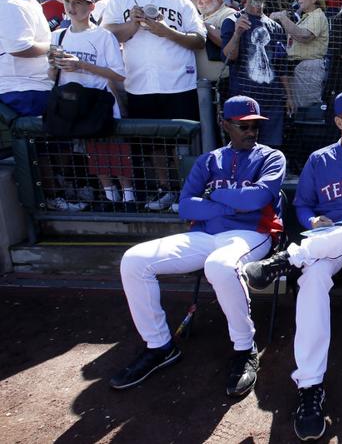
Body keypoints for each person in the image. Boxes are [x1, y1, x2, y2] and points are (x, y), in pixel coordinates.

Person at [242, 89, 342, 441]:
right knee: (313, 277)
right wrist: (313, 220)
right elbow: (302, 207)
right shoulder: (318, 159)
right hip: (329, 244)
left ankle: (290, 258)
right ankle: (310, 386)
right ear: (338, 121)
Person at [110, 95, 286, 396]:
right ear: (224, 125)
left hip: (251, 234)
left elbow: (257, 200)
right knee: (134, 260)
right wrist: (231, 204)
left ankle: (245, 349)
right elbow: (186, 208)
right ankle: (160, 346)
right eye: (242, 126)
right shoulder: (209, 160)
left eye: (254, 125)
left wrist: (213, 197)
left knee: (221, 264)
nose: (250, 131)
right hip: (204, 235)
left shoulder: (271, 157)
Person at [102, 0, 207, 211]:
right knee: (153, 146)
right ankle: (166, 189)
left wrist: (166, 31)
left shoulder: (181, 1)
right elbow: (108, 35)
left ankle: (188, 191)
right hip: (140, 84)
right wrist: (133, 25)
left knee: (184, 143)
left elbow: (199, 39)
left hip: (179, 83)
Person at [46, 0, 133, 212]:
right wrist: (55, 65)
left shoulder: (103, 36)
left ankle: (129, 198)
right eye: (67, 2)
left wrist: (81, 65)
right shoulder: (58, 36)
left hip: (99, 103)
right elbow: (51, 75)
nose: (71, 7)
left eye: (77, 3)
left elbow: (118, 74)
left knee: (115, 154)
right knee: (93, 156)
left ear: (91, 7)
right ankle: (110, 197)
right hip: (72, 106)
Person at [221, 0, 294, 147]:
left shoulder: (275, 27)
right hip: (244, 100)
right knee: (244, 149)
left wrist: (289, 96)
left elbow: (281, 65)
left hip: (272, 100)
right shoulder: (232, 21)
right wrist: (238, 33)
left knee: (271, 149)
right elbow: (229, 57)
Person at [0, 0, 52, 116]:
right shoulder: (10, 3)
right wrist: (54, 47)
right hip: (22, 91)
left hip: (29, 88)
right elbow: (20, 48)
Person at [270, 0, 329, 108]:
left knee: (306, 112)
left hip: (309, 68)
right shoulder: (305, 16)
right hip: (298, 68)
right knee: (296, 112)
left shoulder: (317, 15)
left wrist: (282, 17)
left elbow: (304, 36)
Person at [191, 0, 236, 88]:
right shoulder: (198, 17)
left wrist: (203, 25)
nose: (199, 3)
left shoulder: (229, 14)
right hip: (200, 84)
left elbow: (228, 44)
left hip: (221, 83)